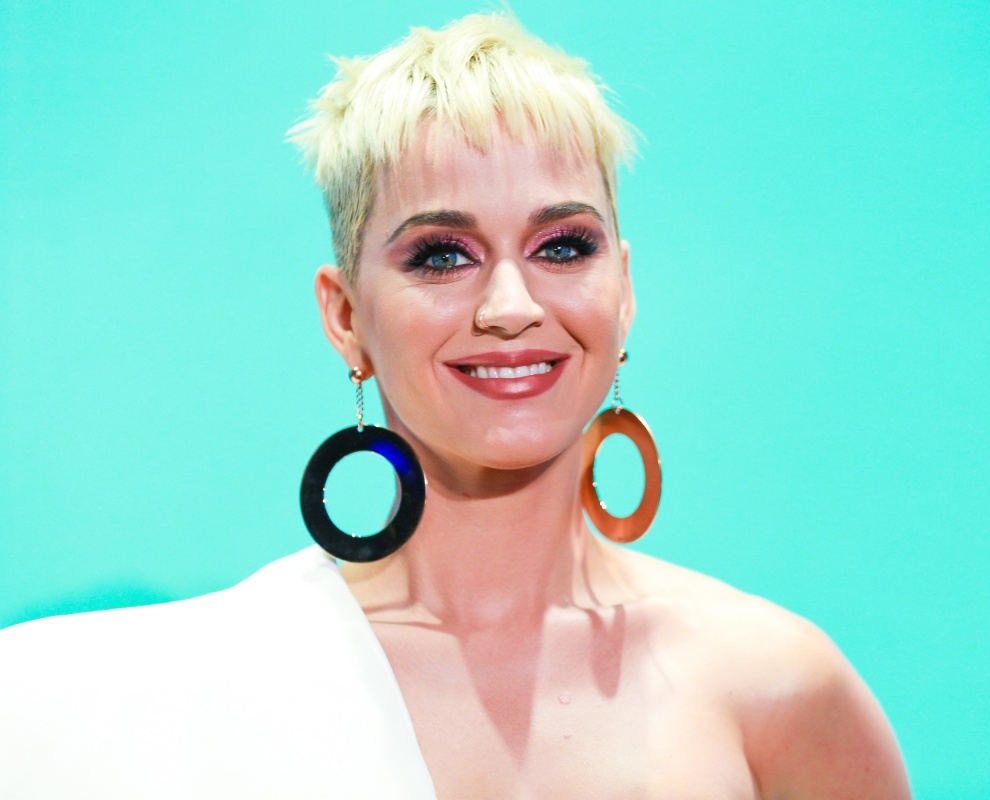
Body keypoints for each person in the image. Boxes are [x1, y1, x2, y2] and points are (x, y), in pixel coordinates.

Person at [0, 14, 909, 799]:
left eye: (563, 246)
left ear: (624, 290)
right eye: (441, 256)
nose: (511, 306)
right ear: (345, 316)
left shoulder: (777, 689)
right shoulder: (121, 697)